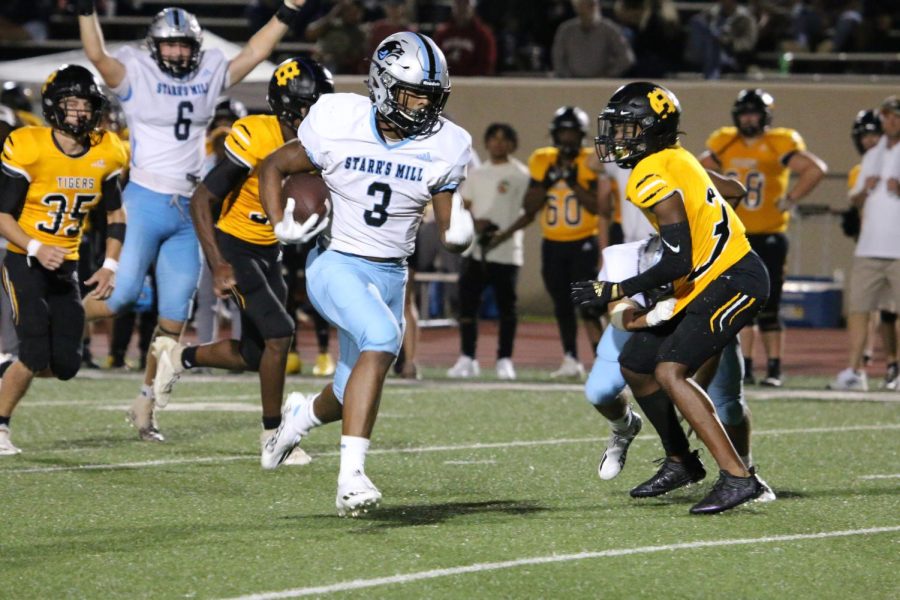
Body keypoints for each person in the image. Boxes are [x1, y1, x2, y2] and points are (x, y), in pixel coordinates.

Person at [257, 32, 474, 517]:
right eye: (411, 92)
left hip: (391, 272)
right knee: (381, 335)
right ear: (381, 83)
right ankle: (350, 478)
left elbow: (448, 218)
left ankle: (294, 423)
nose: (421, 105)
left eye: (430, 96)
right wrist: (280, 224)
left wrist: (460, 227)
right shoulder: (338, 120)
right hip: (335, 261)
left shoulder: (446, 144)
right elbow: (272, 165)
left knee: (345, 389)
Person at [76, 0, 309, 442]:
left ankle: (145, 405)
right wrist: (87, 12)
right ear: (155, 46)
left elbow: (254, 53)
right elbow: (98, 57)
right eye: (172, 46)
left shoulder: (207, 76)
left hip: (188, 207)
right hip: (145, 197)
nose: (180, 55)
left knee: (173, 317)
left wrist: (287, 10)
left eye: (186, 46)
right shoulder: (137, 73)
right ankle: (51, 323)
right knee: (121, 296)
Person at [574, 82, 770, 514]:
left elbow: (676, 261)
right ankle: (681, 460)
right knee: (637, 365)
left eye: (625, 129)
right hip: (706, 280)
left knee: (671, 371)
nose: (615, 138)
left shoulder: (649, 173)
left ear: (649, 129)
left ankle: (739, 477)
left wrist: (614, 289)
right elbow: (732, 190)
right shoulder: (678, 157)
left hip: (732, 279)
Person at [151, 57, 334, 466]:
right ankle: (273, 436)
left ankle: (179, 357)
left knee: (256, 354)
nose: (317, 112)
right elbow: (203, 198)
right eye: (310, 103)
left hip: (270, 249)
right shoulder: (255, 134)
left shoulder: (321, 142)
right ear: (286, 105)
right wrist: (217, 261)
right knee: (279, 333)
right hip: (234, 244)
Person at [586, 182, 773, 503]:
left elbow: (734, 191)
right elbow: (619, 313)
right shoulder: (624, 256)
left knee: (727, 406)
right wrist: (651, 318)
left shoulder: (708, 252)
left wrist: (689, 170)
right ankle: (626, 429)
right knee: (599, 391)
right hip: (642, 323)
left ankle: (746, 470)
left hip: (698, 320)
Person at [0, 65, 128, 455]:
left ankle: (4, 372)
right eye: (71, 104)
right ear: (54, 107)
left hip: (67, 265)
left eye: (85, 104)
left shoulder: (108, 150)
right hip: (24, 258)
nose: (79, 113)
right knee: (35, 349)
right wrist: (36, 247)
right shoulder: (29, 145)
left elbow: (115, 215)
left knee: (66, 365)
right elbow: (2, 215)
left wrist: (110, 265)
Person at [699, 89, 827, 387]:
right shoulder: (724, 141)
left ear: (765, 116)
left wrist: (792, 197)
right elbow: (697, 169)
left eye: (753, 113)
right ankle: (744, 367)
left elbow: (815, 169)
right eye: (744, 113)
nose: (748, 119)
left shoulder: (778, 142)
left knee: (769, 306)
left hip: (769, 235)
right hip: (734, 236)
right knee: (738, 305)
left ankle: (774, 368)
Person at [491, 106, 602, 379]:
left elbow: (598, 207)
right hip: (552, 244)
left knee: (589, 306)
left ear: (581, 135)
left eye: (572, 133)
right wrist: (548, 180)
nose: (567, 139)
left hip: (584, 242)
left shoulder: (590, 161)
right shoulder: (542, 159)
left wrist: (574, 184)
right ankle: (570, 359)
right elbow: (529, 206)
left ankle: (602, 362)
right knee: (562, 306)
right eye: (562, 133)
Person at [447, 123, 529, 379]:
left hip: (506, 251)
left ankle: (505, 359)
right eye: (493, 139)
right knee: (468, 307)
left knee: (507, 309)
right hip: (475, 250)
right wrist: (476, 222)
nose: (498, 144)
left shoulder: (521, 174)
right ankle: (467, 357)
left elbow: (529, 211)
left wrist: (502, 233)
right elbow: (465, 206)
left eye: (504, 139)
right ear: (486, 143)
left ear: (513, 144)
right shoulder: (477, 174)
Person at [829, 97, 900, 392]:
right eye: (887, 116)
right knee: (858, 310)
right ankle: (855, 371)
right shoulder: (873, 154)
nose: (890, 122)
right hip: (869, 247)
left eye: (895, 117)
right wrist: (864, 192)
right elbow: (855, 198)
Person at [551, 0, 634, 78]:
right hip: (572, 84)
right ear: (576, 7)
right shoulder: (566, 30)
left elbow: (627, 58)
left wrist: (608, 75)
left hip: (601, 84)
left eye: (592, 4)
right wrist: (569, 78)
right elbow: (558, 59)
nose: (591, 8)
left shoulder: (610, 30)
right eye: (585, 5)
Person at [433, 0, 498, 76]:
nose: (461, 9)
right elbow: (434, 61)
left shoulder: (483, 34)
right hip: (446, 81)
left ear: (473, 8)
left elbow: (487, 65)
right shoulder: (442, 34)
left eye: (465, 5)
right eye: (458, 4)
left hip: (472, 83)